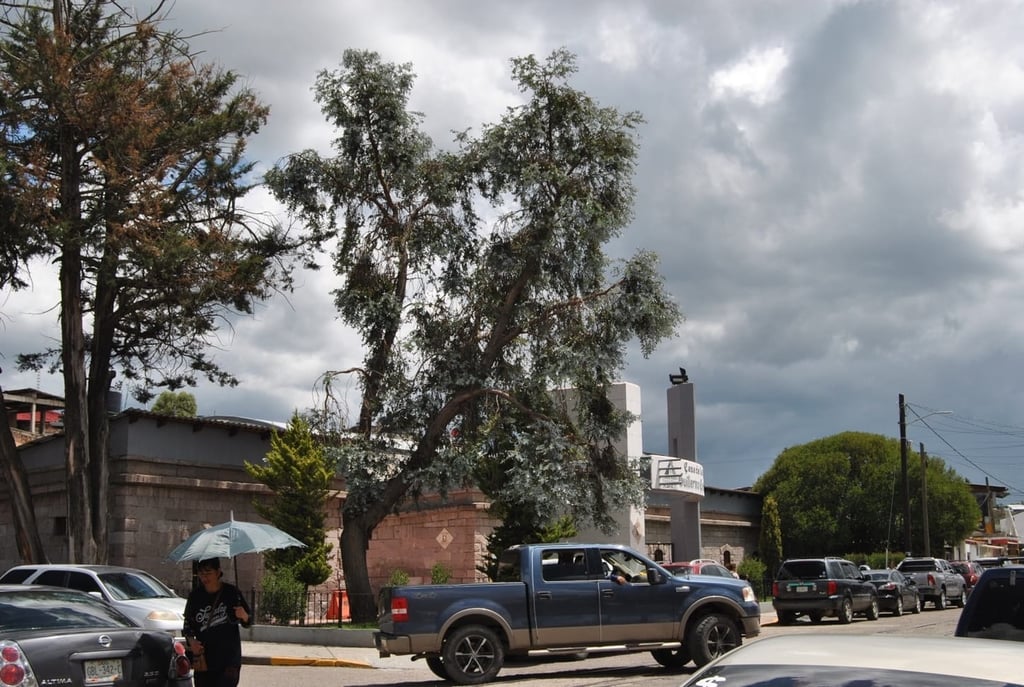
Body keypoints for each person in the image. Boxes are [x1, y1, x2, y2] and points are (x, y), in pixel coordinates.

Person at [183, 558, 252, 687]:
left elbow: (248, 621)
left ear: (218, 572)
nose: (205, 577)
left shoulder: (231, 593)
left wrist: (244, 616)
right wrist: (191, 641)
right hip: (204, 659)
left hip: (229, 659)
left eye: (208, 572)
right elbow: (187, 625)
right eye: (201, 573)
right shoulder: (195, 596)